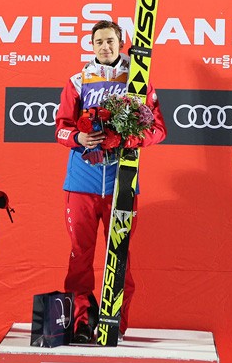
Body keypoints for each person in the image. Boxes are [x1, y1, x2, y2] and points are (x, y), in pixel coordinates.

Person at [55, 19, 167, 343]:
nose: (105, 47)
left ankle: (115, 322)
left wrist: (130, 139)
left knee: (120, 256)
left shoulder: (138, 79)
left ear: (121, 43)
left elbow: (158, 130)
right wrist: (78, 137)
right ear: (91, 46)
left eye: (110, 41)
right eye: (99, 42)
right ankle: (80, 322)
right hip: (82, 183)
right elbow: (60, 128)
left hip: (123, 183)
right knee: (80, 256)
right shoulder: (77, 81)